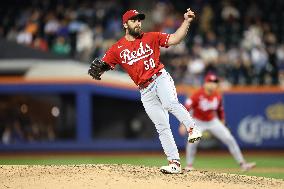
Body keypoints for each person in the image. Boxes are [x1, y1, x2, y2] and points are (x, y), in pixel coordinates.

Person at [88, 8, 202, 174]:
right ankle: (174, 163)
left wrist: (187, 21)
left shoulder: (151, 37)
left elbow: (176, 39)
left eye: (139, 20)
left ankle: (192, 128)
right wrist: (100, 69)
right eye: (134, 20)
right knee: (161, 126)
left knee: (170, 103)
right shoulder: (117, 48)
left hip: (160, 78)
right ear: (125, 24)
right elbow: (104, 64)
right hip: (145, 90)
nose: (138, 23)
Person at [179, 73, 256, 172]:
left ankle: (243, 164)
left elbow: (220, 111)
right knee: (193, 141)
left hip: (212, 121)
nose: (212, 84)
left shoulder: (217, 96)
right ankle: (189, 165)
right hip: (198, 121)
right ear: (205, 84)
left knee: (229, 138)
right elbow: (186, 108)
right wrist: (182, 124)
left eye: (215, 82)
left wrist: (222, 123)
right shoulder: (197, 95)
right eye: (210, 82)